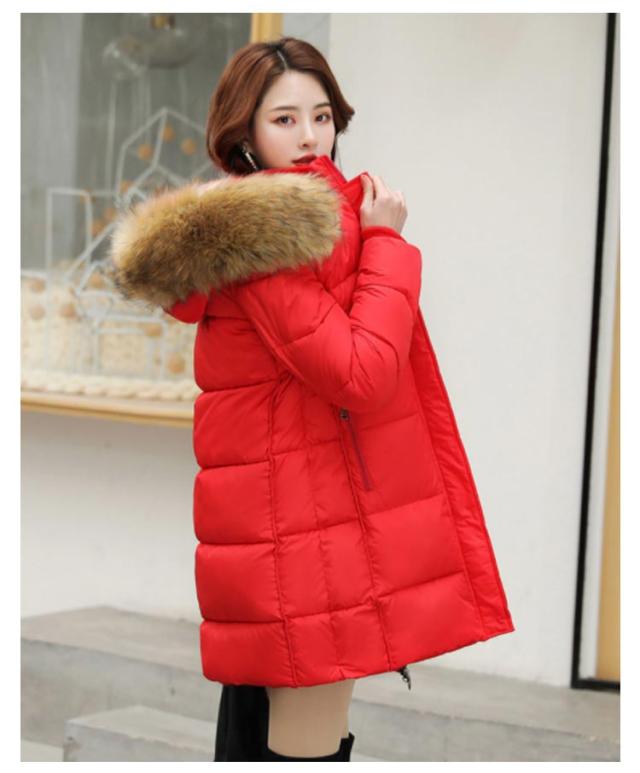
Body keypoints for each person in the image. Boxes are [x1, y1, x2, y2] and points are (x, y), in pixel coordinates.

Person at [109, 36, 515, 763]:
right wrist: (386, 245)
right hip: (306, 539)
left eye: (321, 116)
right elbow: (360, 372)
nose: (309, 137)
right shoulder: (270, 238)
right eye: (284, 119)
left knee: (265, 732)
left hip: (302, 525)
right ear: (244, 133)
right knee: (303, 744)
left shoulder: (298, 226)